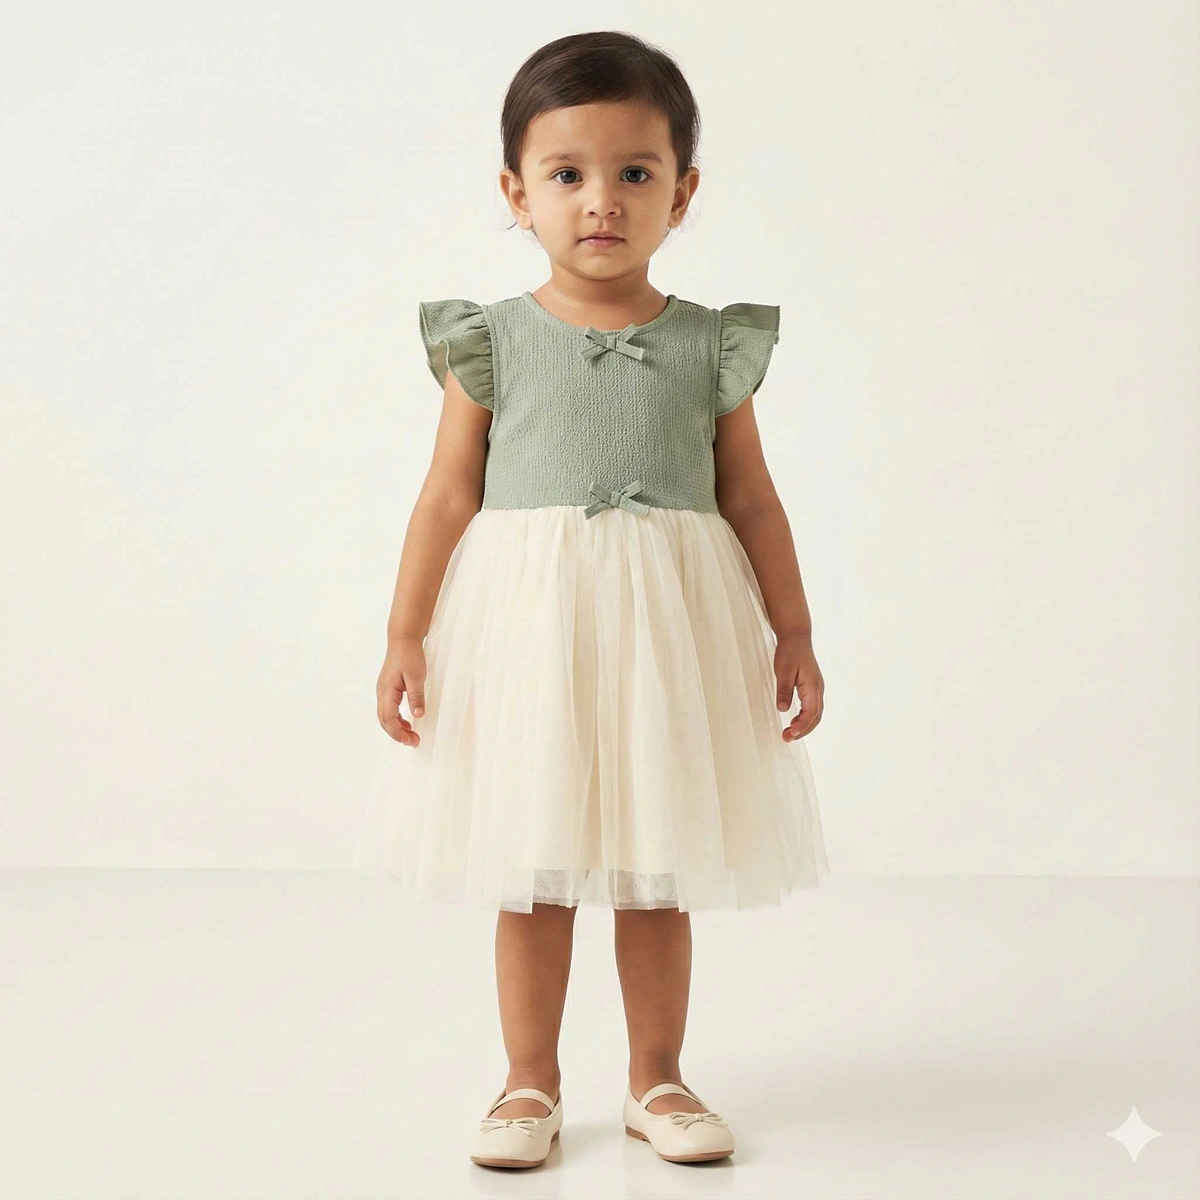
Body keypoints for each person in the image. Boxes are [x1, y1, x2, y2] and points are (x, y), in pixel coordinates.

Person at [351, 30, 831, 1169]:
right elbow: (445, 495)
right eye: (567, 174)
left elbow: (752, 497)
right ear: (517, 193)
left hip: (668, 632)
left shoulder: (709, 347)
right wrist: (406, 632)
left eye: (635, 172)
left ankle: (658, 1077)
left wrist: (795, 629)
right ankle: (529, 1080)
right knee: (534, 865)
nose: (601, 200)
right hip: (533, 632)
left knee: (656, 864)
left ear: (682, 193)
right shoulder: (492, 342)